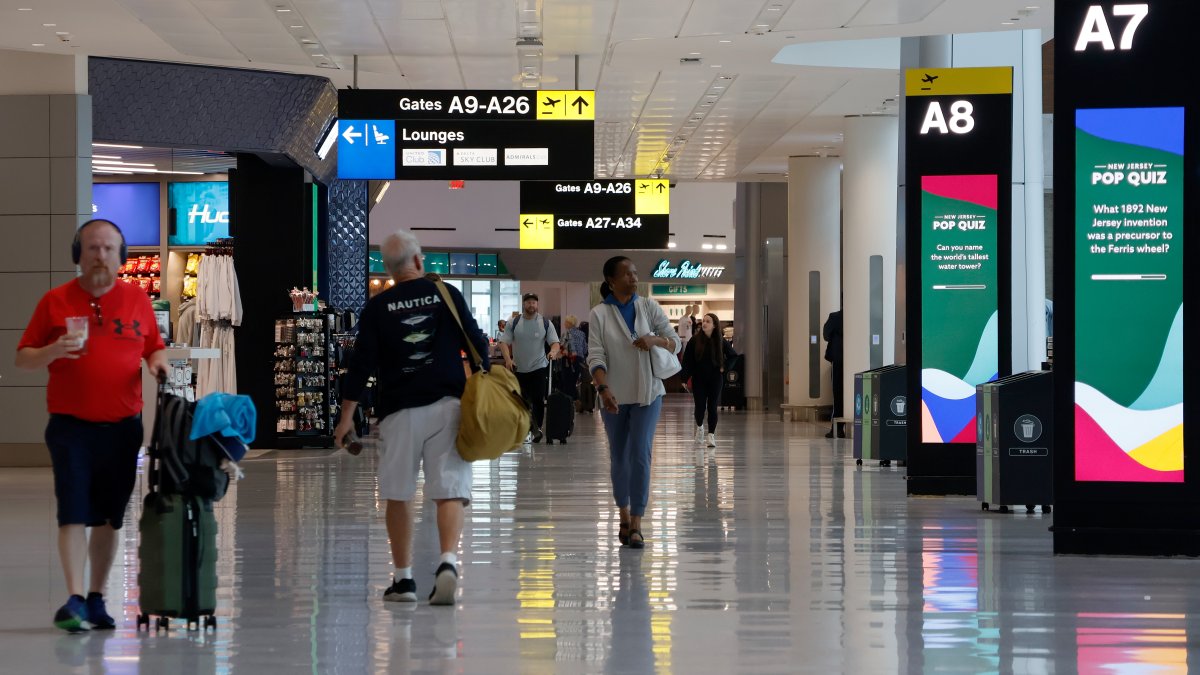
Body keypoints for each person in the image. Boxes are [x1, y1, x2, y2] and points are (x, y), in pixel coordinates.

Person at [14, 219, 168, 633]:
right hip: (70, 427)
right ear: (77, 255)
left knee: (109, 518)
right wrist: (51, 349)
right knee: (71, 512)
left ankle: (98, 599)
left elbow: (154, 347)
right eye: (92, 247)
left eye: (108, 248)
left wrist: (158, 365)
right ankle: (75, 599)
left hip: (122, 428)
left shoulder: (137, 301)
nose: (100, 255)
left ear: (121, 256)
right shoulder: (55, 302)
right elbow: (22, 358)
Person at [333, 228, 489, 607]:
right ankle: (448, 563)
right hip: (447, 405)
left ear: (389, 269)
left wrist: (346, 417)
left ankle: (403, 581)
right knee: (449, 488)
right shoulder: (445, 293)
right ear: (418, 261)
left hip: (399, 411)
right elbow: (478, 343)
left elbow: (361, 365)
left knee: (399, 493)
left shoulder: (378, 307)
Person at [588, 256, 681, 550]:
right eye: (627, 274)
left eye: (635, 273)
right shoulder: (599, 315)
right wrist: (603, 389)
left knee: (641, 453)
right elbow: (596, 355)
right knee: (619, 457)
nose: (634, 278)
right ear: (611, 281)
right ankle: (624, 515)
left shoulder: (649, 307)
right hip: (613, 396)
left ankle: (638, 523)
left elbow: (675, 342)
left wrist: (653, 340)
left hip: (647, 394)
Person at [499, 292, 561, 442]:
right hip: (518, 368)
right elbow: (503, 342)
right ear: (523, 304)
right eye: (528, 302)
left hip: (539, 366)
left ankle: (537, 428)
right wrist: (508, 359)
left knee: (538, 399)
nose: (531, 305)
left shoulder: (545, 323)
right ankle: (526, 427)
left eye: (534, 302)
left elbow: (555, 342)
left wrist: (552, 352)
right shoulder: (514, 322)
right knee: (521, 400)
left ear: (537, 305)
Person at [681, 313, 737, 447]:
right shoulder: (694, 341)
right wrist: (684, 378)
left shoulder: (721, 341)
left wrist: (724, 367)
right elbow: (687, 361)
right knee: (700, 406)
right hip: (699, 379)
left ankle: (711, 435)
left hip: (715, 379)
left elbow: (733, 356)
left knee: (712, 407)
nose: (704, 324)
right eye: (703, 321)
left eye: (708, 321)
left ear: (714, 325)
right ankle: (700, 428)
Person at [823, 310, 845, 438]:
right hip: (858, 361)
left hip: (839, 360)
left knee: (838, 394)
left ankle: (837, 429)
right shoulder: (862, 314)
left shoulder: (835, 317)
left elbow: (826, 335)